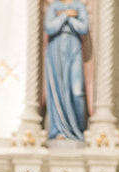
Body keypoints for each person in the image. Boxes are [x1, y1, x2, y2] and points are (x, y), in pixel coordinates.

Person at [43, 2, 90, 144]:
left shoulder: (79, 6)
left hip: (74, 47)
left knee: (77, 91)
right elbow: (49, 28)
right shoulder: (54, 6)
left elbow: (84, 28)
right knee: (58, 88)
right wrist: (66, 15)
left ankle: (78, 129)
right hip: (56, 49)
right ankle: (59, 130)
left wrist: (67, 18)